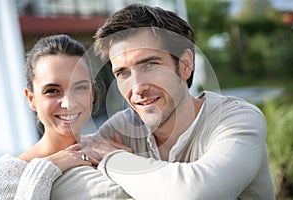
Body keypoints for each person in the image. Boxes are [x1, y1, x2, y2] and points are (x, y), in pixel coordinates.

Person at [83, 3, 275, 200]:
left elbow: (197, 193)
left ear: (185, 65)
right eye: (123, 73)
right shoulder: (121, 128)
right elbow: (70, 186)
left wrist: (114, 161)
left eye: (150, 64)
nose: (137, 87)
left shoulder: (237, 120)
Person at [0, 34, 131, 199]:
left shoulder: (106, 148)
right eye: (52, 91)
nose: (68, 103)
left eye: (79, 88)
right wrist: (46, 168)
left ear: (92, 93)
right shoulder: (7, 174)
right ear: (31, 99)